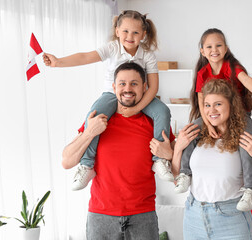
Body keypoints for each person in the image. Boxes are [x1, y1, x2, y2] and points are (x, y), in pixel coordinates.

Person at [44, 10, 173, 191]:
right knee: (94, 114)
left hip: (141, 97)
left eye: (136, 33)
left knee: (163, 111)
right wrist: (58, 62)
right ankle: (87, 165)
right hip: (112, 96)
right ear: (117, 30)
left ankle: (159, 160)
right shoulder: (112, 48)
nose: (130, 36)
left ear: (143, 34)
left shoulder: (148, 55)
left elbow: (152, 88)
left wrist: (136, 109)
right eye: (126, 31)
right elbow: (85, 56)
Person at [62, 62, 175, 240]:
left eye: (134, 84)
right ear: (114, 87)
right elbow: (67, 161)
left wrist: (169, 155)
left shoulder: (154, 122)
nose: (127, 89)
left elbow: (177, 171)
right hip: (101, 217)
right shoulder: (98, 119)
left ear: (145, 87)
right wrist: (89, 133)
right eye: (122, 83)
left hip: (143, 216)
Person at [175, 28, 252, 211]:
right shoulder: (203, 73)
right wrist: (208, 123)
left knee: (246, 145)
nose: (214, 49)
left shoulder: (231, 67)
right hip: (210, 114)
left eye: (219, 45)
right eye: (209, 46)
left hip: (240, 113)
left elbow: (245, 79)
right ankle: (185, 174)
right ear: (202, 51)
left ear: (226, 48)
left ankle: (250, 189)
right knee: (190, 131)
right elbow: (202, 101)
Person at [171, 79, 252, 240]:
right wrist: (178, 149)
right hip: (194, 217)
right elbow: (177, 180)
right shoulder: (197, 137)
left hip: (232, 221)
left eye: (218, 104)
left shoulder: (244, 141)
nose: (211, 110)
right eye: (207, 105)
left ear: (231, 105)